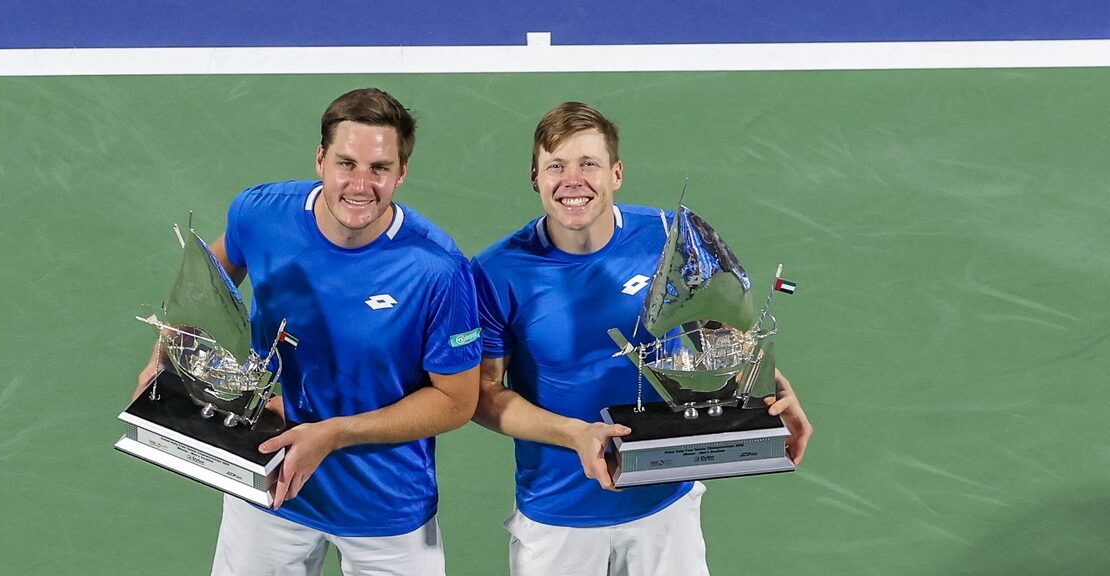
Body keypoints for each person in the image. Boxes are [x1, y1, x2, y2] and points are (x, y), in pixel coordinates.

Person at [134, 88, 482, 576]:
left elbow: (456, 401)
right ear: (321, 159)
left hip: (386, 506)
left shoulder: (440, 271)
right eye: (347, 163)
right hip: (267, 484)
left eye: (380, 168)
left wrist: (335, 434)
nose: (361, 185)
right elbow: (209, 278)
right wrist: (165, 351)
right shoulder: (260, 213)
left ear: (401, 173)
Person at [470, 102, 813, 576]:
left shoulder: (665, 235)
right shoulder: (495, 272)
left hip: (666, 502)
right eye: (556, 166)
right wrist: (575, 434)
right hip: (559, 514)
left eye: (588, 164)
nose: (573, 180)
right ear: (535, 177)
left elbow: (715, 331)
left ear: (616, 173)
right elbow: (482, 394)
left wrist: (770, 384)